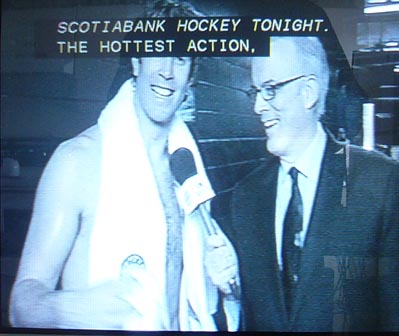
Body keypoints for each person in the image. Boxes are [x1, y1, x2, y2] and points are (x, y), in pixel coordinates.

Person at [9, 0, 239, 331]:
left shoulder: (187, 167)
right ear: (136, 60)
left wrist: (228, 285)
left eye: (181, 58)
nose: (167, 71)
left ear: (190, 79)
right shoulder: (77, 162)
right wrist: (70, 308)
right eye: (158, 51)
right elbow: (21, 304)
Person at [213, 36, 399, 332]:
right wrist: (232, 292)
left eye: (271, 90)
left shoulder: (379, 183)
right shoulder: (246, 196)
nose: (258, 106)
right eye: (256, 92)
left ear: (309, 91)